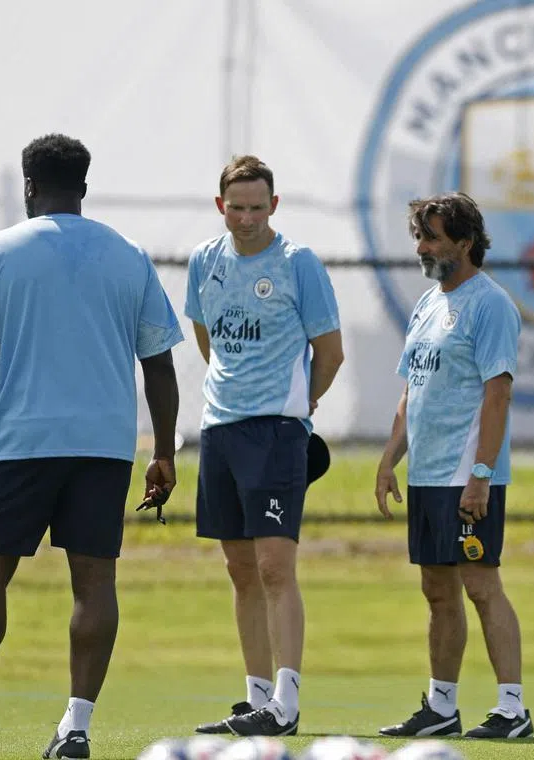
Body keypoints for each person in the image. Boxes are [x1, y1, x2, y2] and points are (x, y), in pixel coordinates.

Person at [0, 134, 184, 760]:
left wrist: (3, 407)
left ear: (29, 186)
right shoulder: (128, 254)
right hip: (105, 446)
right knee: (94, 582)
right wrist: (163, 452)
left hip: (20, 443)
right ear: (84, 186)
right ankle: (75, 729)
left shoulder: (1, 250)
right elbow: (158, 366)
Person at [186, 155, 344, 738]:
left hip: (277, 432)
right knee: (239, 568)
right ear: (220, 205)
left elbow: (330, 353)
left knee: (276, 567)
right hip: (220, 430)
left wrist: (300, 406)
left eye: (258, 208)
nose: (247, 218)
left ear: (273, 207)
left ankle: (287, 702)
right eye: (237, 207)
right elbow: (208, 338)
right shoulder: (204, 260)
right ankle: (255, 697)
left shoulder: (298, 263)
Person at [375, 192, 534, 740]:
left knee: (481, 585)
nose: (422, 247)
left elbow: (498, 396)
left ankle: (513, 709)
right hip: (427, 477)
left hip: (466, 477)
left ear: (465, 242)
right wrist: (389, 460)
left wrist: (482, 475)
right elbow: (411, 390)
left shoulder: (490, 305)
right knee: (437, 591)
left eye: (433, 237)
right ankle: (442, 707)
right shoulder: (427, 303)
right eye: (419, 236)